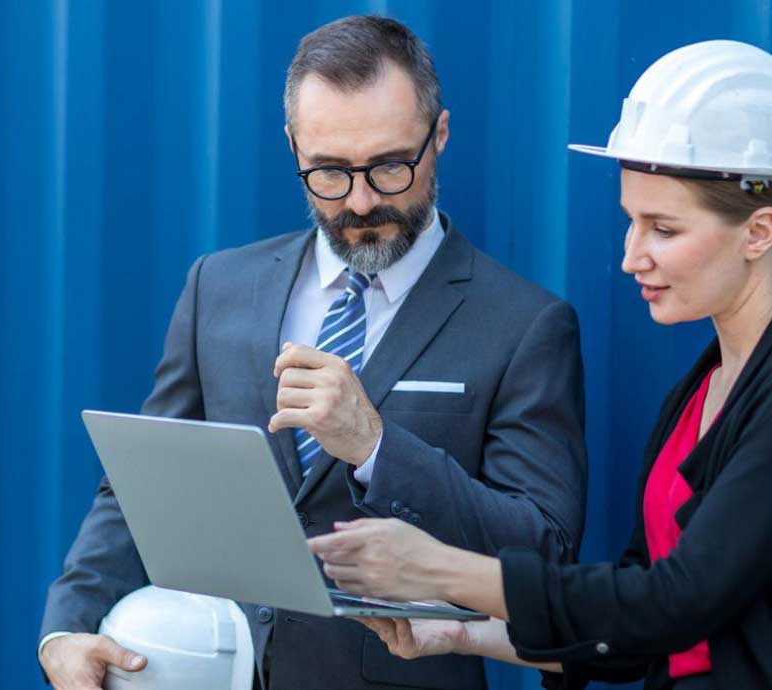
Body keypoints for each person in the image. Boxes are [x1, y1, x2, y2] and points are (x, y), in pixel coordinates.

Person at [40, 15, 588, 690]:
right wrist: (68, 628)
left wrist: (377, 447)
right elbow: (141, 482)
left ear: (439, 135)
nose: (360, 201)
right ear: (293, 146)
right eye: (328, 171)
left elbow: (543, 554)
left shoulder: (526, 325)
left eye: (390, 166)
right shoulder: (219, 288)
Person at [308, 39, 772, 690]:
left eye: (664, 229)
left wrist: (438, 568)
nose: (631, 256)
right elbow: (634, 626)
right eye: (630, 222)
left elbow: (677, 600)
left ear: (759, 232)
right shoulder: (703, 389)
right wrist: (457, 632)